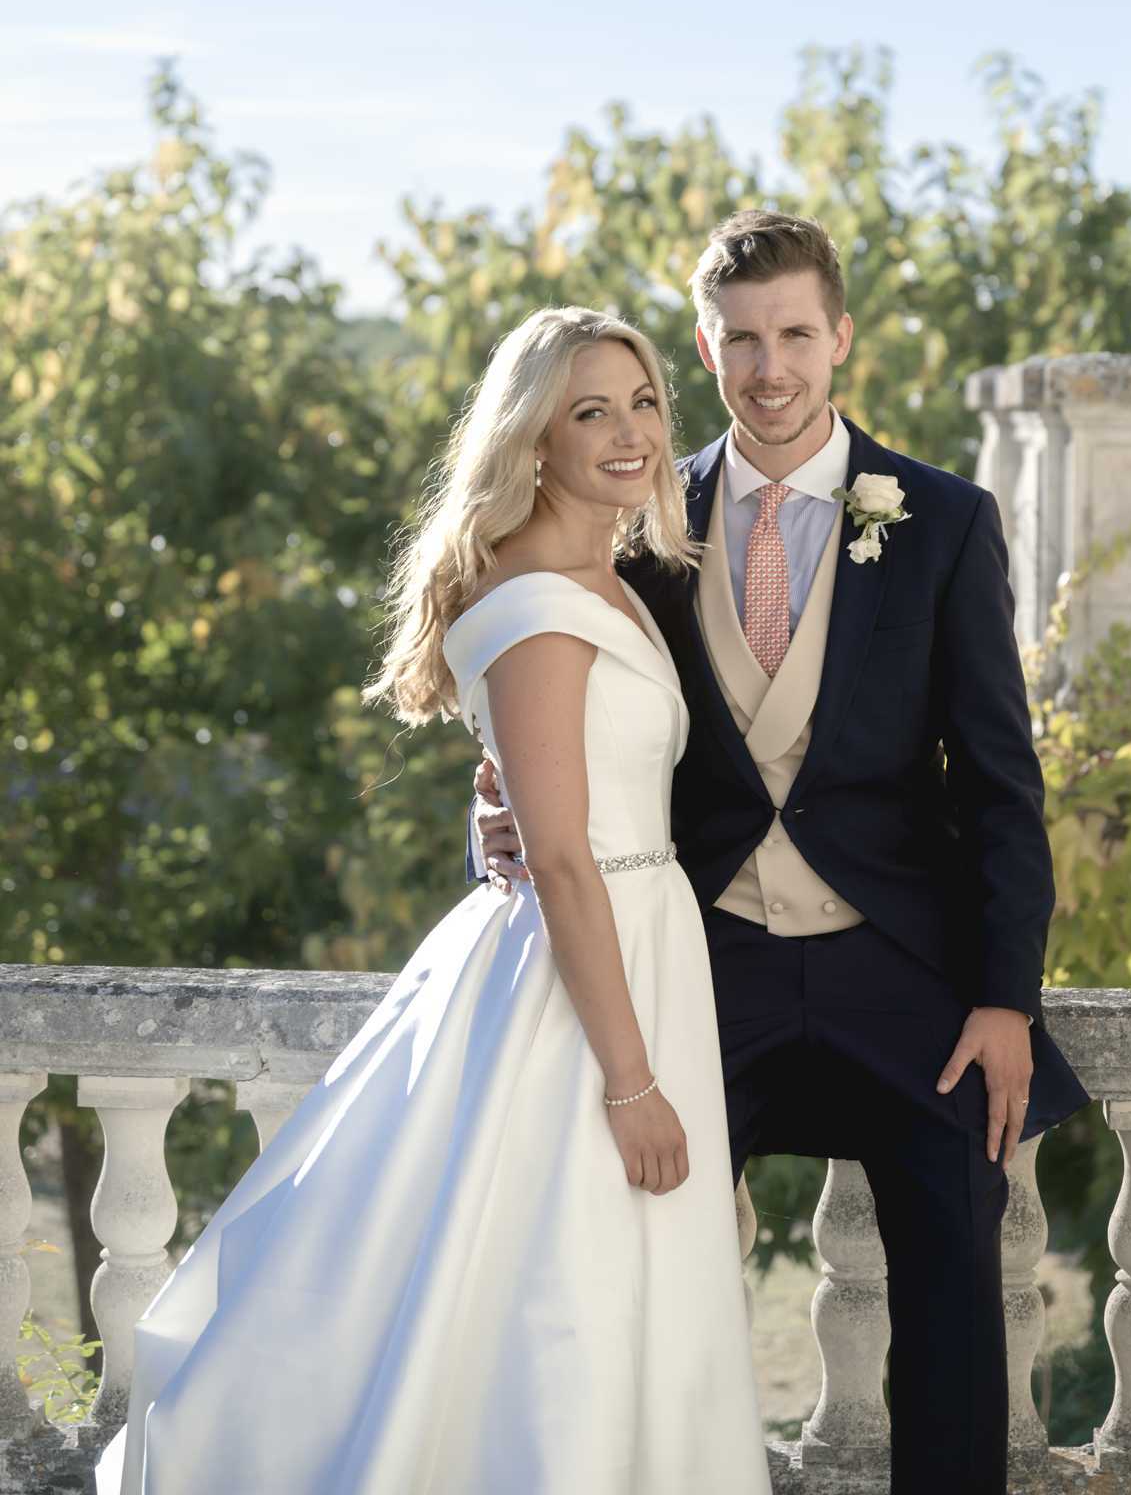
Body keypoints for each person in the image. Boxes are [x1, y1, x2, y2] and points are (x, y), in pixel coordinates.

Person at [95, 306, 770, 1495]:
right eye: (590, 410)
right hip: (581, 987)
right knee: (560, 1289)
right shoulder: (536, 606)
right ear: (532, 438)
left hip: (640, 948)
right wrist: (631, 1079)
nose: (631, 433)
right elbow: (560, 858)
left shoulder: (607, 577)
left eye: (646, 401)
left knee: (620, 1284)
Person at [475, 211, 1092, 1495]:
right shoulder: (633, 518)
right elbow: (545, 708)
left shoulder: (944, 520)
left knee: (958, 1268)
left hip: (902, 974)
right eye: (742, 339)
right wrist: (499, 820)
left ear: (840, 337)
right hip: (706, 962)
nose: (771, 368)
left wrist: (1004, 997)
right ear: (706, 347)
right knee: (625, 1237)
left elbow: (998, 785)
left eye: (796, 334)